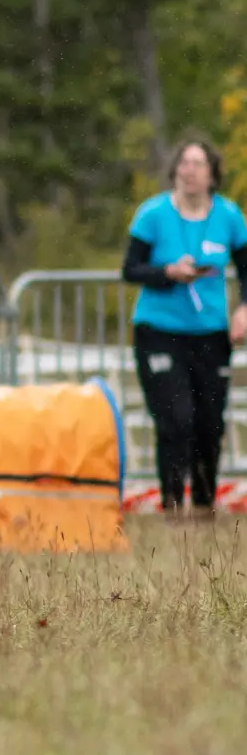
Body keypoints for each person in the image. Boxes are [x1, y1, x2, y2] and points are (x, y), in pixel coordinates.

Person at [122, 137, 247, 514]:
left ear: (212, 175)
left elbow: (245, 270)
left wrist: (243, 308)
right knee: (176, 419)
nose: (189, 171)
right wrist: (167, 272)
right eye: (184, 163)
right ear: (175, 170)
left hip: (210, 333)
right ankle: (172, 506)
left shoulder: (228, 216)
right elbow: (130, 269)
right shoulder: (152, 215)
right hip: (159, 331)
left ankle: (206, 506)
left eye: (198, 164)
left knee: (209, 425)